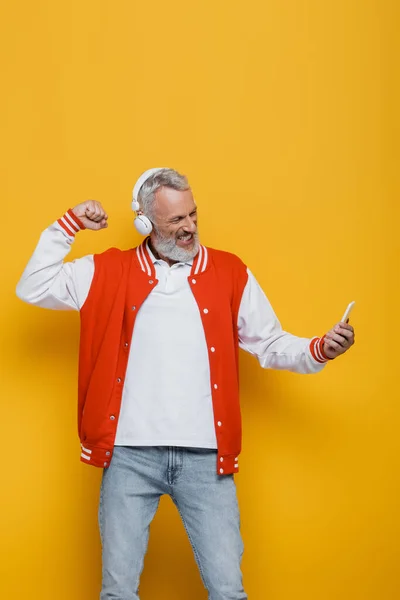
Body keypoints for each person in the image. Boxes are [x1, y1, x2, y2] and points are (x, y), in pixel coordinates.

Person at [16, 167, 355, 600]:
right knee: (117, 592)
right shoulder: (105, 270)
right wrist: (69, 225)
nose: (190, 227)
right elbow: (33, 286)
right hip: (128, 457)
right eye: (176, 220)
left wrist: (320, 348)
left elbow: (268, 342)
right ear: (145, 222)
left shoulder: (229, 271)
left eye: (192, 215)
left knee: (228, 590)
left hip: (205, 461)